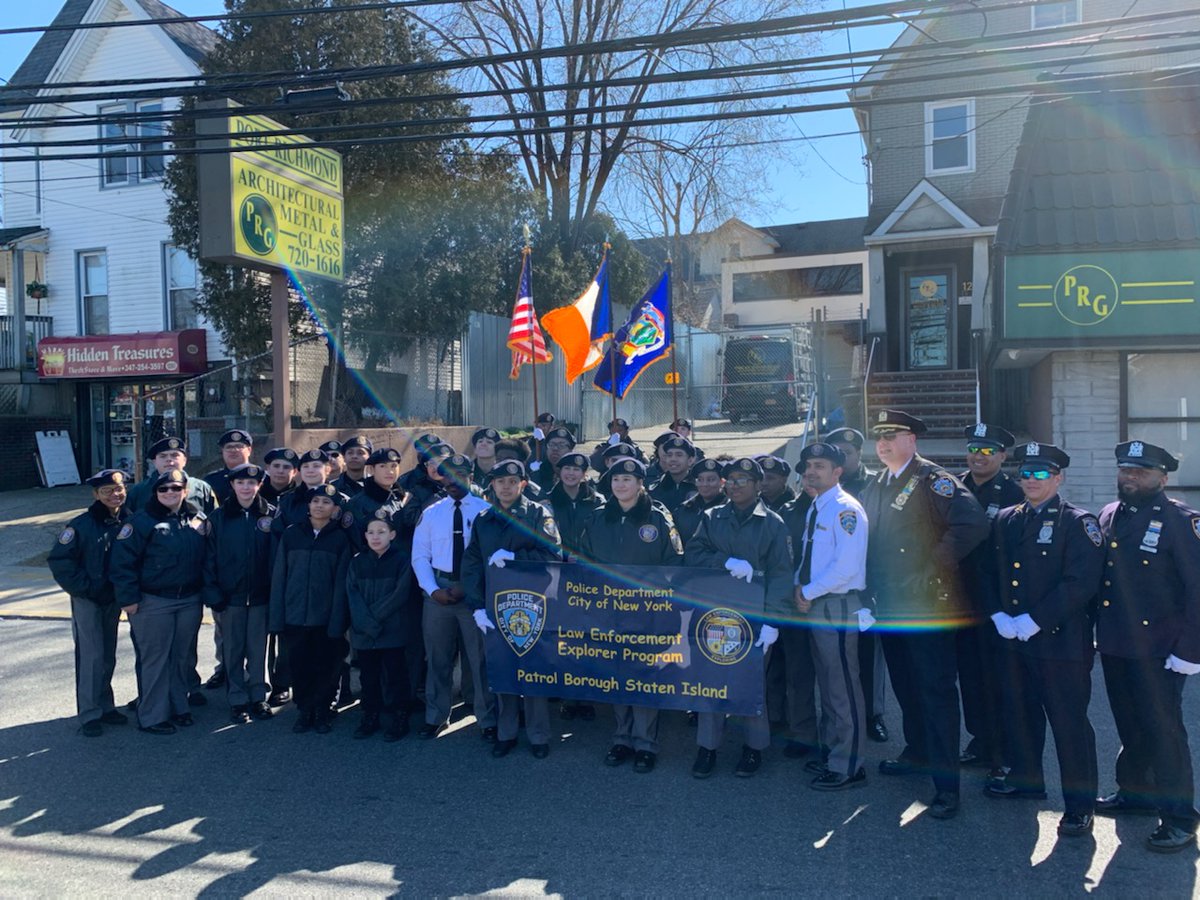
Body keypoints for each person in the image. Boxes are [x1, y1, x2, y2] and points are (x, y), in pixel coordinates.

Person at [860, 409, 989, 820]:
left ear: (913, 439)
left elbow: (972, 524)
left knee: (935, 694)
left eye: (892, 436)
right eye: (879, 437)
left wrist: (932, 566)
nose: (884, 443)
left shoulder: (933, 479)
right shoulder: (878, 483)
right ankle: (916, 752)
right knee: (906, 687)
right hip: (891, 605)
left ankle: (947, 786)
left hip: (928, 605)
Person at [983, 442, 1103, 838]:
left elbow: (1081, 583)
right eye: (1025, 474)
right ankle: (1027, 778)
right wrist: (998, 613)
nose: (1030, 481)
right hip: (1013, 640)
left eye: (1040, 474)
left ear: (1058, 477)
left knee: (1069, 726)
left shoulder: (1078, 522)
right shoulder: (1005, 518)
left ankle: (1079, 806)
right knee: (1020, 714)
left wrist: (1034, 620)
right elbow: (989, 571)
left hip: (1059, 643)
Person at [1095, 440, 1200, 853]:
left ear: (1163, 477)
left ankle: (1179, 817)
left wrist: (1191, 651)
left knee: (1165, 732)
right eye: (1125, 469)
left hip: (1161, 649)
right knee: (1129, 725)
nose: (1130, 477)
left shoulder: (1181, 522)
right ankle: (1135, 792)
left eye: (1141, 471)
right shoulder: (1108, 514)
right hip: (1118, 643)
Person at [684, 457, 793, 779]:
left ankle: (754, 748)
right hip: (715, 612)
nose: (735, 485)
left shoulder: (773, 524)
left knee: (750, 682)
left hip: (754, 616)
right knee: (711, 680)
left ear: (759, 486)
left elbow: (782, 576)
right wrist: (725, 560)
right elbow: (693, 553)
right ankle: (707, 747)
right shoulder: (711, 516)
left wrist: (773, 621)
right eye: (730, 479)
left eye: (743, 479)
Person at [579, 457, 683, 773]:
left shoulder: (659, 518)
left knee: (645, 676)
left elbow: (674, 564)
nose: (620, 485)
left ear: (641, 484)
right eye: (615, 480)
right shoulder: (598, 518)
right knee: (617, 675)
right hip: (609, 611)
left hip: (648, 613)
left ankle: (645, 743)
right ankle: (621, 737)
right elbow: (584, 561)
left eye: (627, 479)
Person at [463, 459, 561, 758]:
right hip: (496, 605)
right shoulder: (484, 518)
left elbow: (554, 553)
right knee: (502, 670)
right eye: (499, 481)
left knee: (533, 672)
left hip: (533, 604)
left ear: (523, 484)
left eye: (511, 481)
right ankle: (506, 733)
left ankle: (538, 735)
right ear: (491, 485)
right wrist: (477, 606)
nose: (505, 486)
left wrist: (517, 555)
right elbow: (472, 564)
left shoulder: (537, 513)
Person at [792, 443, 871, 790]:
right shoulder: (817, 507)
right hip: (817, 603)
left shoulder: (844, 510)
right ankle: (833, 752)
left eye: (820, 465)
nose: (811, 471)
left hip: (836, 604)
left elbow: (847, 567)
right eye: (809, 465)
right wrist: (799, 587)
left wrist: (807, 592)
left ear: (838, 471)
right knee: (828, 682)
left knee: (843, 688)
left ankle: (849, 765)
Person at [110, 469, 210, 735]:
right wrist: (128, 599)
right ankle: (152, 715)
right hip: (153, 600)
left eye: (176, 488)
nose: (170, 493)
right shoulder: (141, 522)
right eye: (163, 489)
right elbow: (122, 563)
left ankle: (179, 706)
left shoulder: (197, 518)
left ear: (185, 491)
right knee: (155, 659)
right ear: (155, 492)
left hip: (189, 599)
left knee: (181, 657)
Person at [412, 454, 496, 740]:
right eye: (446, 475)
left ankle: (487, 719)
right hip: (438, 594)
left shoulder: (486, 511)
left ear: (471, 475)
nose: (451, 481)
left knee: (480, 660)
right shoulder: (432, 512)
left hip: (475, 597)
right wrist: (432, 589)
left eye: (458, 475)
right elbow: (420, 555)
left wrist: (468, 588)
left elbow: (490, 558)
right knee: (438, 658)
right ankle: (436, 715)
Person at [957, 423, 1025, 775]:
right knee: (970, 676)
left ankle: (1005, 749)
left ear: (1001, 456)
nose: (978, 456)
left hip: (996, 602)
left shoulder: (1013, 493)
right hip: (959, 599)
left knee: (999, 678)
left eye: (986, 451)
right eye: (973, 449)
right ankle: (980, 739)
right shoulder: (954, 486)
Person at [48, 469, 133, 737]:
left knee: (108, 654)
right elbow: (61, 562)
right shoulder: (80, 525)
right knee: (91, 655)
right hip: (88, 599)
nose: (115, 495)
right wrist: (85, 589)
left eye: (119, 489)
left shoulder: (129, 521)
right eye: (107, 491)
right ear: (96, 494)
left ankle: (106, 706)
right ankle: (89, 713)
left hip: (113, 598)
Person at [269, 483, 354, 734]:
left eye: (326, 503)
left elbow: (341, 583)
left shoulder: (339, 539)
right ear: (308, 505)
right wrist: (277, 617)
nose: (320, 506)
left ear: (335, 509)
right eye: (315, 501)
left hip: (325, 617)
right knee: (300, 665)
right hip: (295, 615)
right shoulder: (292, 534)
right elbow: (279, 577)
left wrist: (338, 620)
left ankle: (324, 710)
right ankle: (305, 709)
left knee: (328, 666)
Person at [202, 463, 276, 725]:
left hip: (260, 597)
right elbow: (208, 560)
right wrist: (213, 593)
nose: (246, 487)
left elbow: (277, 559)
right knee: (232, 650)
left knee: (258, 649)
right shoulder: (218, 519)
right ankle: (236, 699)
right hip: (229, 598)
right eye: (240, 483)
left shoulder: (271, 516)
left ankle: (258, 696)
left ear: (259, 486)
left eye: (252, 483)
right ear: (232, 485)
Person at [828, 426, 887, 744]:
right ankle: (842, 716)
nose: (842, 459)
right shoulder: (824, 483)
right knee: (837, 657)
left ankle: (873, 715)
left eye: (847, 453)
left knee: (868, 655)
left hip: (866, 582)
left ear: (859, 454)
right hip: (833, 585)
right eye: (835, 453)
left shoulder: (875, 484)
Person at [332, 516, 414, 741]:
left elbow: (400, 594)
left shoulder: (401, 560)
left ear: (392, 535)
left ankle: (399, 716)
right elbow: (353, 594)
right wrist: (366, 621)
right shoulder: (357, 561)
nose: (375, 537)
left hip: (392, 629)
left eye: (381, 532)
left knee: (396, 675)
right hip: (364, 633)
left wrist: (374, 618)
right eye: (371, 532)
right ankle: (370, 715)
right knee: (369, 677)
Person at [125, 437, 218, 516]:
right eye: (163, 456)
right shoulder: (138, 491)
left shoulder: (201, 488)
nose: (169, 460)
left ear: (184, 460)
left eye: (174, 455)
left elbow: (214, 520)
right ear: (155, 462)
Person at [673, 457, 726, 547]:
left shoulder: (730, 509)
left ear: (722, 482)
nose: (705, 484)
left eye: (711, 480)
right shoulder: (684, 510)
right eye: (700, 480)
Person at [648, 436, 697, 517]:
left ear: (690, 460)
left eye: (679, 455)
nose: (673, 459)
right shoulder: (654, 489)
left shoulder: (699, 487)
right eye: (669, 455)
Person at [202, 430, 254, 505]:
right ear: (222, 451)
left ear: (249, 450)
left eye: (238, 446)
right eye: (229, 447)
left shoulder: (263, 478)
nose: (233, 450)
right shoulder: (211, 481)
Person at [530, 426, 575, 493]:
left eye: (561, 445)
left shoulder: (577, 475)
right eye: (551, 444)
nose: (555, 448)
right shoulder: (535, 477)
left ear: (570, 450)